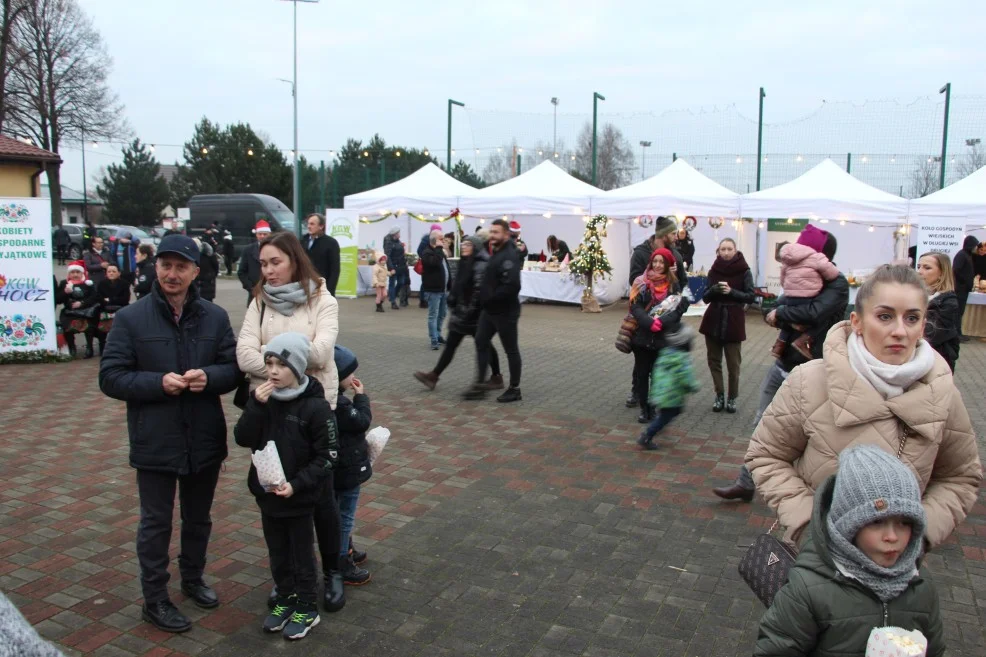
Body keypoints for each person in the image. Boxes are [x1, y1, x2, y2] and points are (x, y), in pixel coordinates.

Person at [746, 265, 981, 549]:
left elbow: (959, 476)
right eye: (884, 316)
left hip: (896, 571)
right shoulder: (810, 381)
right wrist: (809, 524)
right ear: (856, 321)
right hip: (816, 561)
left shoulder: (943, 393)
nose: (899, 331)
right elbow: (766, 455)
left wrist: (919, 535)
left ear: (923, 325)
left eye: (912, 318)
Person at [98, 234, 240, 633]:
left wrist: (208, 377)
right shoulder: (131, 318)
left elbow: (232, 368)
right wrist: (158, 383)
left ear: (196, 271)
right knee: (156, 522)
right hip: (155, 438)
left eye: (181, 267)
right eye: (166, 265)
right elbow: (110, 377)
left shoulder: (214, 316)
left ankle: (193, 579)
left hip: (204, 437)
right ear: (155, 266)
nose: (172, 274)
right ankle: (155, 599)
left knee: (198, 518)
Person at [235, 231, 344, 607]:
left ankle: (332, 569)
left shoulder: (322, 299)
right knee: (276, 494)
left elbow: (322, 353)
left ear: (294, 260)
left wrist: (269, 357)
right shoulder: (259, 302)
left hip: (315, 404)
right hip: (269, 408)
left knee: (321, 496)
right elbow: (243, 355)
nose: (268, 271)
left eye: (275, 262)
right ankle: (288, 579)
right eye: (263, 264)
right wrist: (287, 358)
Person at [754, 445, 945, 657]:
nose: (892, 536)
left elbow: (934, 648)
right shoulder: (808, 590)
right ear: (849, 526)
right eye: (877, 521)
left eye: (904, 522)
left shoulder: (920, 584)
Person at [713, 229, 847, 502]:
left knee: (813, 437)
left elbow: (812, 313)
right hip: (783, 365)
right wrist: (778, 312)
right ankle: (745, 481)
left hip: (815, 373)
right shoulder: (800, 279)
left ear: (821, 255)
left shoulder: (837, 284)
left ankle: (819, 496)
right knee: (760, 423)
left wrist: (781, 314)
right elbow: (772, 306)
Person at [234, 333, 336, 640]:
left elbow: (328, 456)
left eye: (282, 364)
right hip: (269, 496)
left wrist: (296, 485)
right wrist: (254, 405)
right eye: (269, 363)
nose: (273, 371)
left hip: (300, 498)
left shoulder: (316, 408)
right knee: (277, 553)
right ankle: (287, 598)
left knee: (302, 555)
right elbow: (243, 438)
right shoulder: (263, 401)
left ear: (299, 367)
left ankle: (307, 606)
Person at [414, 235, 503, 391]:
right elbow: (459, 285)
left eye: (467, 244)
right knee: (451, 346)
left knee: (485, 346)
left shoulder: (481, 264)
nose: (463, 247)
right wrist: (453, 298)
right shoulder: (465, 262)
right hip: (461, 314)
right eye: (463, 244)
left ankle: (493, 378)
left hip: (475, 316)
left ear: (475, 247)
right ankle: (433, 376)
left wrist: (467, 311)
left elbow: (477, 293)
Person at [625, 218, 688, 409]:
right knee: (642, 360)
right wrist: (649, 279)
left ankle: (657, 397)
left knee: (659, 362)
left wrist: (673, 276)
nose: (675, 237)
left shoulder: (675, 254)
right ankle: (638, 392)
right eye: (672, 233)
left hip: (665, 320)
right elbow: (633, 281)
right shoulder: (641, 252)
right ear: (662, 234)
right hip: (644, 316)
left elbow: (682, 286)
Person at [464, 219, 523, 403]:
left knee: (511, 350)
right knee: (481, 341)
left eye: (496, 232)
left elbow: (513, 286)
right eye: (491, 232)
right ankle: (481, 383)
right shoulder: (496, 252)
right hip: (489, 311)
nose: (492, 235)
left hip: (505, 311)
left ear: (506, 234)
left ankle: (515, 389)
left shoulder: (509, 255)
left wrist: (491, 297)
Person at [332, 346, 373, 586]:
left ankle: (345, 547)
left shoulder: (329, 400)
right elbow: (362, 421)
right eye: (350, 373)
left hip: (336, 470)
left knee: (338, 512)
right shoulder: (342, 406)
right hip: (346, 471)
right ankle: (341, 560)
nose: (353, 377)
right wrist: (361, 397)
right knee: (344, 515)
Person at [699, 238, 755, 413]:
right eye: (722, 249)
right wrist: (714, 290)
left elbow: (750, 296)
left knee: (733, 364)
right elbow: (705, 297)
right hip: (713, 319)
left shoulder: (745, 270)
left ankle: (732, 397)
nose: (726, 252)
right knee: (714, 361)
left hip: (733, 320)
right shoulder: (713, 270)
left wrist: (732, 292)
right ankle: (719, 395)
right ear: (718, 251)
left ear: (735, 250)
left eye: (729, 249)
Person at [771, 225, 840, 360]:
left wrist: (779, 312)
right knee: (808, 321)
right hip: (792, 361)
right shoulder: (817, 260)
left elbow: (812, 313)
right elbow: (811, 314)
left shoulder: (790, 261)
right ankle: (802, 341)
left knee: (794, 312)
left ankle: (779, 344)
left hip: (791, 295)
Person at [637, 323, 699, 450]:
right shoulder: (681, 359)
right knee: (668, 415)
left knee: (672, 412)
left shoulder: (665, 353)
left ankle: (658, 426)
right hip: (672, 395)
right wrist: (694, 386)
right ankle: (647, 436)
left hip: (661, 392)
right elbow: (686, 377)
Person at [917, 252, 961, 371]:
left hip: (937, 362)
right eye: (919, 266)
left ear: (942, 273)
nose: (920, 271)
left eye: (927, 268)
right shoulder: (918, 296)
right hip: (918, 359)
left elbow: (930, 334)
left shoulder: (948, 302)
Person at [56, 260, 99, 358]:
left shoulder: (88, 283)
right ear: (69, 273)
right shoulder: (64, 283)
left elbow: (94, 297)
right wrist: (65, 293)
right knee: (67, 324)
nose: (75, 274)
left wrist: (82, 303)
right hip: (70, 312)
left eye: (77, 272)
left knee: (89, 325)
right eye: (72, 272)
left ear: (82, 272)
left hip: (86, 311)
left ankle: (89, 347)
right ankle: (72, 347)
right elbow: (58, 300)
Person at [420, 231, 452, 350]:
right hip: (433, 290)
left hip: (443, 289)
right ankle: (433, 339)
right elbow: (435, 263)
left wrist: (450, 285)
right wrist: (439, 248)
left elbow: (445, 267)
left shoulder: (439, 252)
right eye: (441, 239)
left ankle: (438, 334)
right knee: (433, 315)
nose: (443, 241)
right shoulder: (427, 252)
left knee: (442, 313)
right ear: (434, 240)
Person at [305, 213, 341, 296]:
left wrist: (329, 290)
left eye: (312, 224)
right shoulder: (303, 240)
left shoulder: (331, 243)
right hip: (304, 286)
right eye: (308, 223)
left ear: (321, 226)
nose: (309, 226)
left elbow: (335, 269)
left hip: (322, 287)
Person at [952, 235, 978, 342]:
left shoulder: (967, 255)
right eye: (975, 245)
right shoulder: (962, 255)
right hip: (960, 289)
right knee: (958, 311)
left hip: (964, 288)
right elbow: (956, 269)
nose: (976, 248)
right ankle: (956, 334)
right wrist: (964, 281)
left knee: (960, 312)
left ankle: (958, 333)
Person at [238, 219, 269, 305]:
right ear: (256, 235)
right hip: (254, 293)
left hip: (272, 292)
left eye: (265, 234)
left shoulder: (276, 248)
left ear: (269, 234)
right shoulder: (248, 250)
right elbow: (241, 272)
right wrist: (251, 288)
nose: (262, 236)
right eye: (260, 234)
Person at [383, 226, 408, 309]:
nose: (399, 234)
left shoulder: (398, 241)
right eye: (398, 233)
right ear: (395, 234)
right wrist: (391, 268)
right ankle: (393, 301)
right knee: (392, 283)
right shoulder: (388, 242)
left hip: (401, 265)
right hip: (393, 265)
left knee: (401, 282)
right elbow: (388, 256)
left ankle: (392, 295)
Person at [194, 238, 220, 302]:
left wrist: (211, 275)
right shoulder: (194, 256)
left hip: (207, 282)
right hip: (205, 282)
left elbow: (216, 267)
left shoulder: (209, 255)